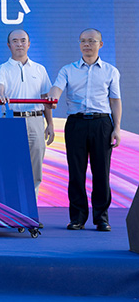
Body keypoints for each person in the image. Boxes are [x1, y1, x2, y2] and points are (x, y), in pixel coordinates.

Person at [47, 28, 121, 232]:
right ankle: (77, 218)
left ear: (100, 44)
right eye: (83, 41)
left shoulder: (110, 71)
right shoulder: (67, 70)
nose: (86, 44)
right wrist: (53, 98)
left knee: (101, 172)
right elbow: (57, 88)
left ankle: (101, 218)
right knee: (76, 173)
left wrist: (117, 127)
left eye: (91, 41)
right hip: (76, 124)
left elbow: (115, 101)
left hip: (102, 124)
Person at [0, 29, 55, 199]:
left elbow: (45, 98)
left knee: (35, 167)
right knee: (10, 165)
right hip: (11, 121)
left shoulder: (40, 69)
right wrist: (0, 95)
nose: (19, 44)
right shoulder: (1, 69)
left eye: (22, 40)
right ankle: (13, 207)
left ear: (29, 44)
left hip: (36, 120)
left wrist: (50, 124)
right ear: (9, 45)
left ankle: (31, 208)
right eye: (15, 41)